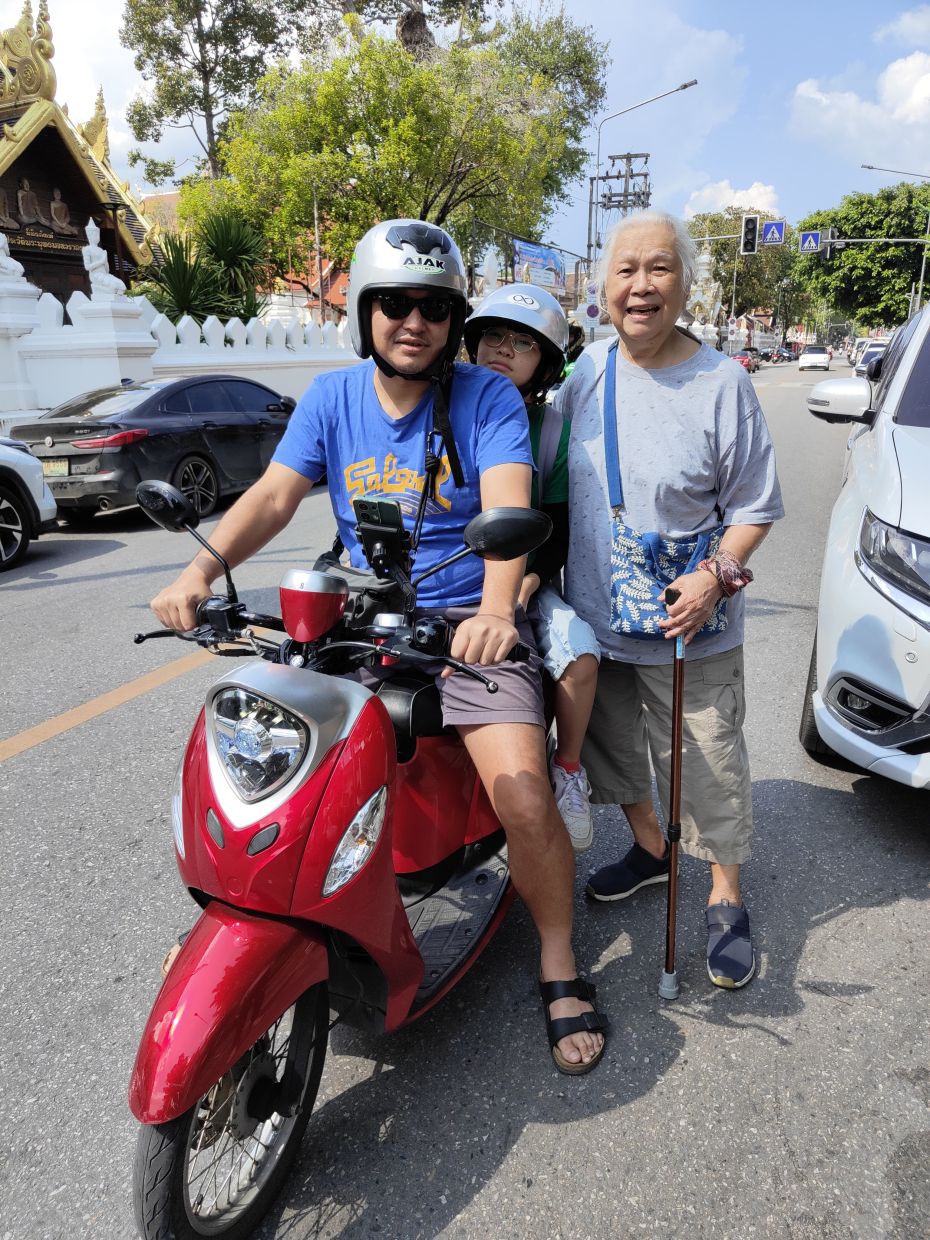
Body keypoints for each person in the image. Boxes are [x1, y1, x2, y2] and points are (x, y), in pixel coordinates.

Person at [150, 219, 607, 1074]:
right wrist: (199, 572)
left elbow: (508, 505)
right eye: (394, 303)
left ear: (451, 319)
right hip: (360, 620)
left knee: (523, 794)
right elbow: (278, 498)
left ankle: (557, 956)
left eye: (434, 307)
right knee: (258, 753)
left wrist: (497, 609)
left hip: (466, 625)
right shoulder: (331, 398)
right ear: (364, 311)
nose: (414, 321)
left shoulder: (486, 397)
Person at [555, 210, 784, 989]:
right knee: (613, 751)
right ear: (604, 288)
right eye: (626, 271)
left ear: (685, 282)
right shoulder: (583, 374)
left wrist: (716, 572)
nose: (641, 287)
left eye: (659, 269)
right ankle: (653, 849)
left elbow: (755, 505)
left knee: (708, 761)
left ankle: (723, 893)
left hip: (692, 627)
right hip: (598, 619)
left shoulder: (723, 383)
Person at [463, 285, 600, 851]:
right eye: (495, 335)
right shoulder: (440, 406)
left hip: (522, 576)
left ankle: (566, 771)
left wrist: (526, 581)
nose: (504, 349)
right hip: (433, 581)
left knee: (579, 652)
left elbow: (559, 526)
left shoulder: (551, 432)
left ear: (544, 363)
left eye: (523, 343)